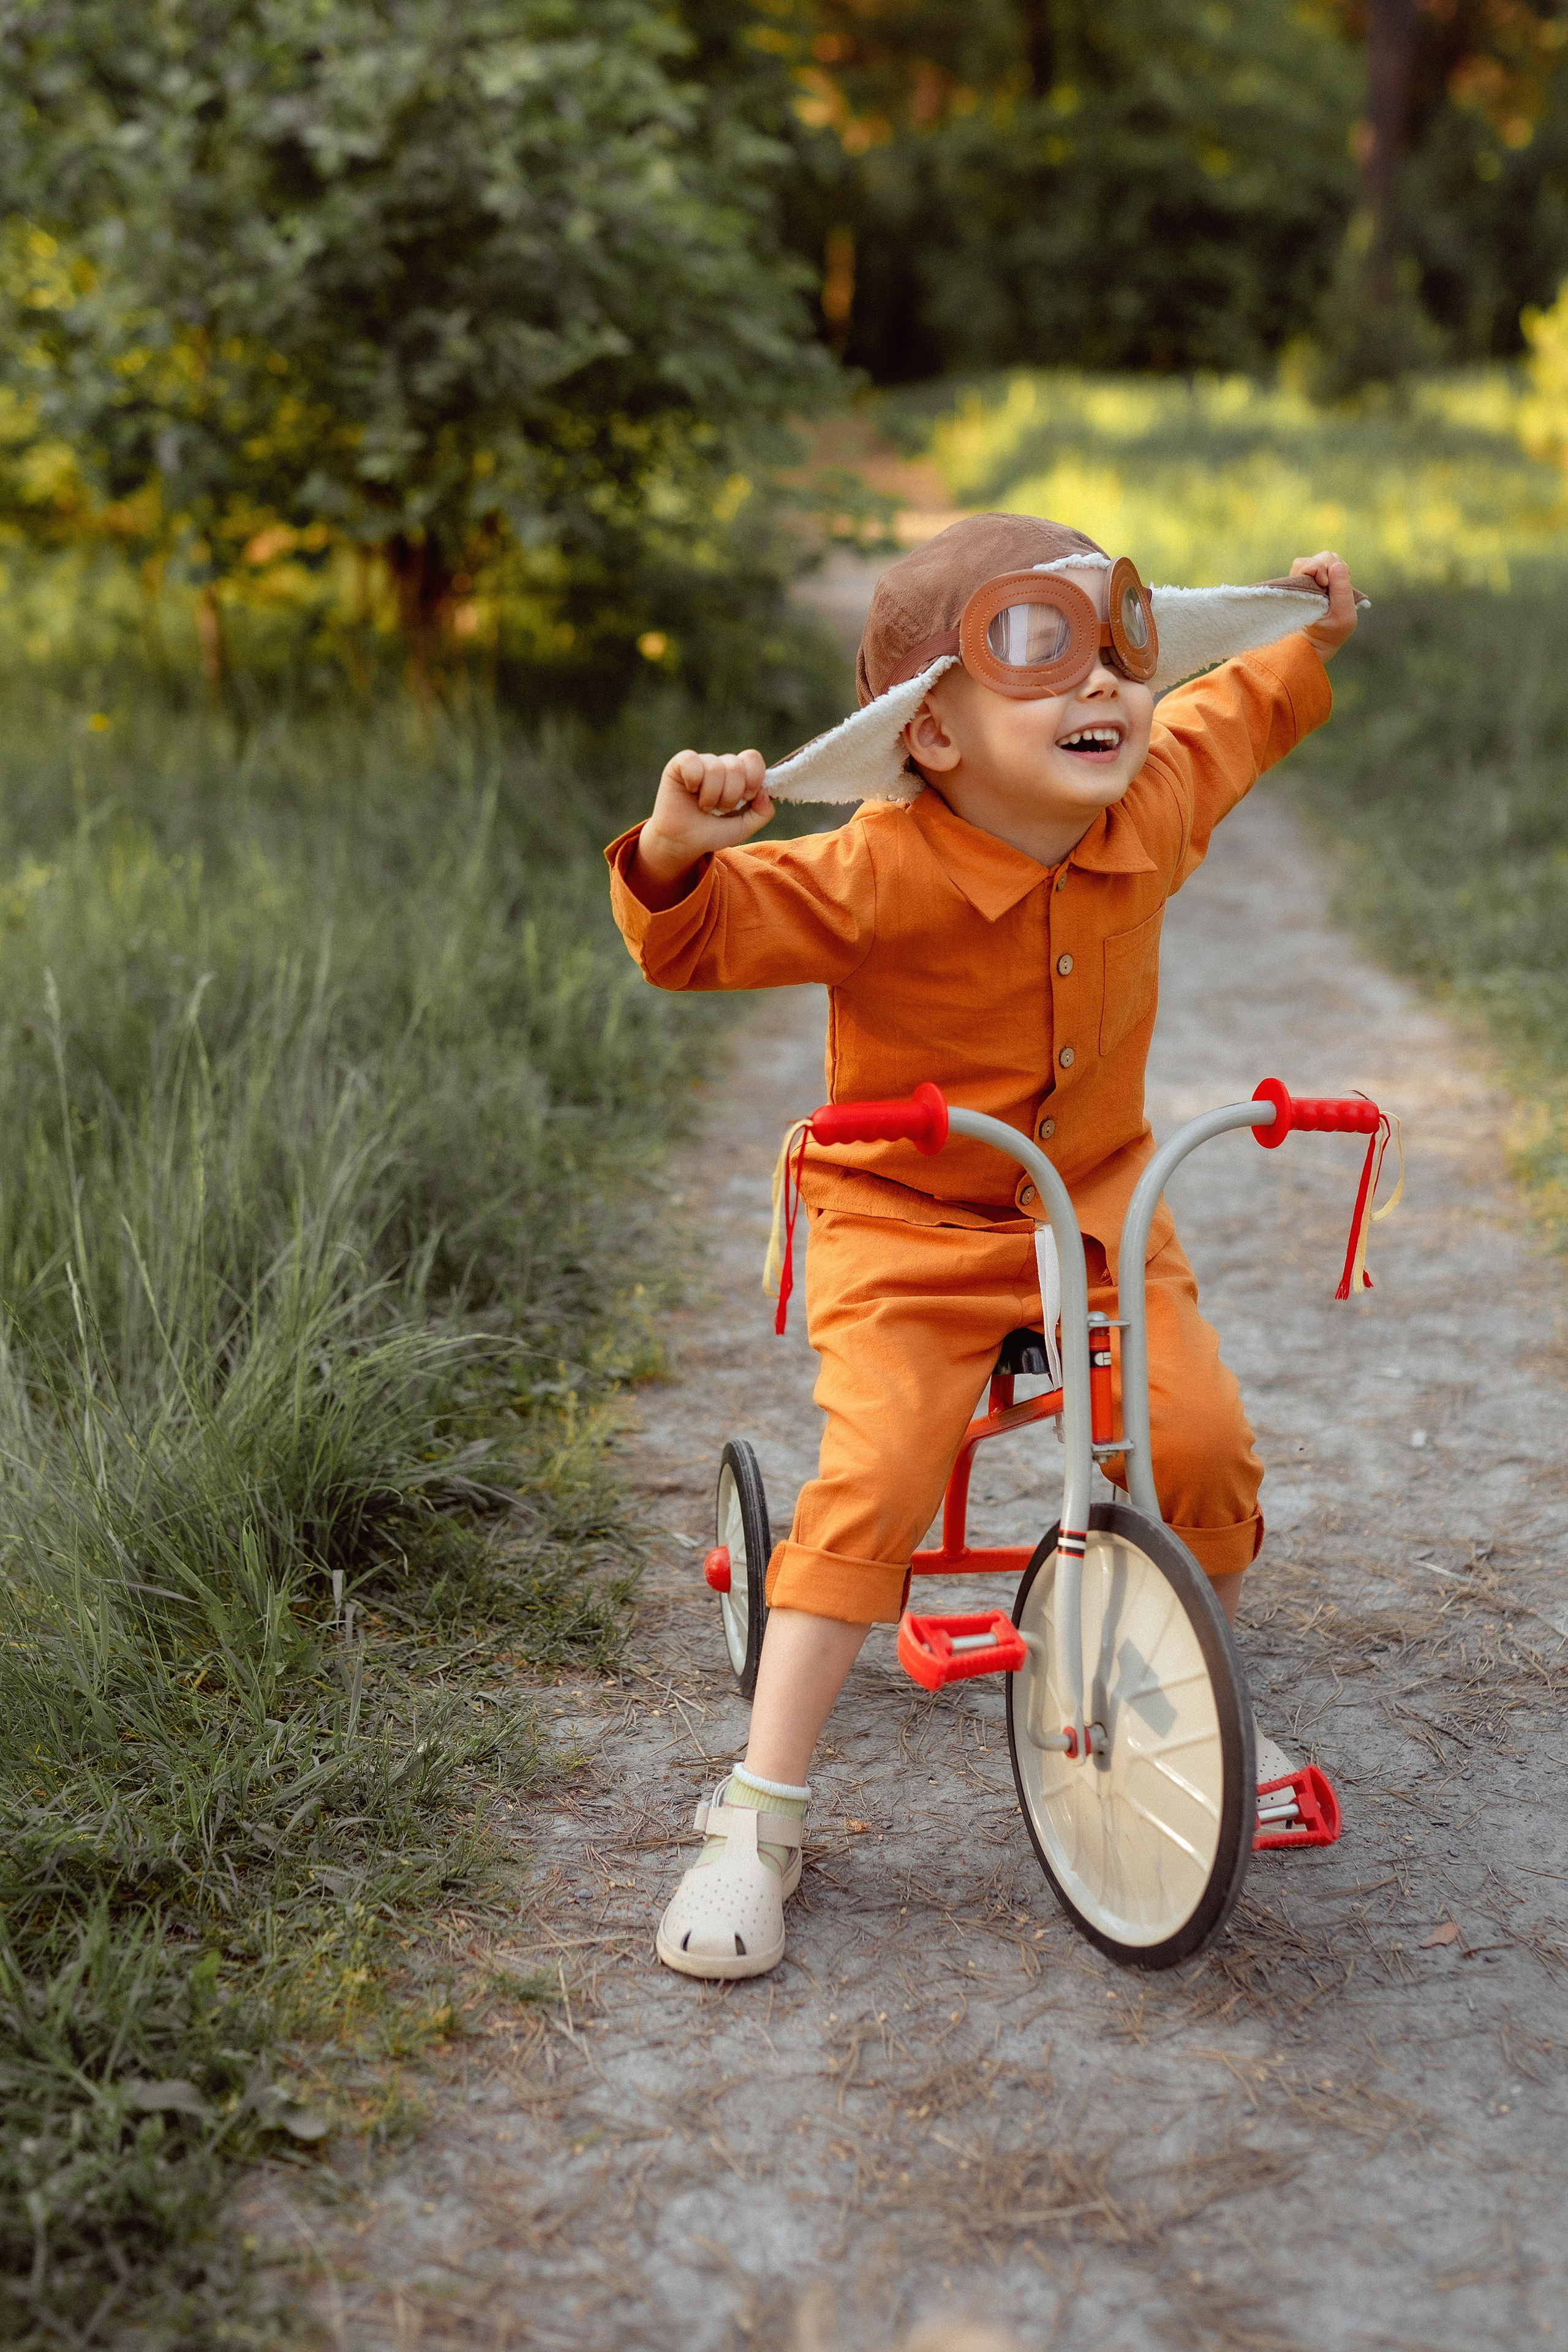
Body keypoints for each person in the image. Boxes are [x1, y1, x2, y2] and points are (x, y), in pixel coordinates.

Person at [605, 512, 1362, 1980]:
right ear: (931, 734)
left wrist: (1305, 638)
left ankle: (1199, 1691)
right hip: (904, 1223)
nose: (1105, 692)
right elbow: (692, 938)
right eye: (1041, 652)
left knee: (1196, 1443)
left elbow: (1234, 714)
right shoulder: (873, 872)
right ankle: (757, 1809)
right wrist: (680, 848)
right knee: (881, 1470)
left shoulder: (1151, 799)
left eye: (1123, 649)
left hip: (1092, 1211)